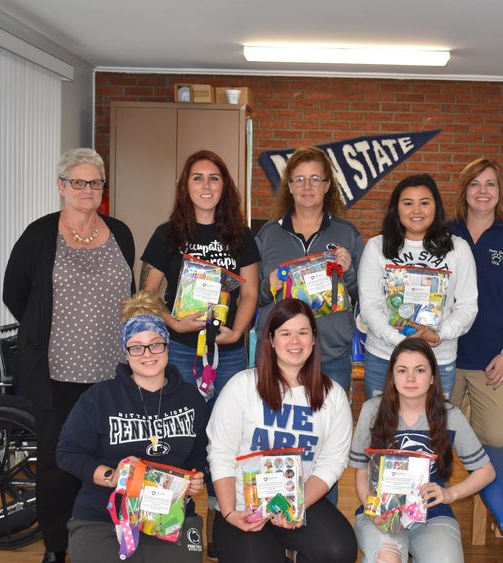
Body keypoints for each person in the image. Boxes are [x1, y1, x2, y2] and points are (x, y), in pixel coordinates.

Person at [3, 147, 135, 563]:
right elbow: (15, 293)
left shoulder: (120, 233)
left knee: (113, 459)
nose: (87, 189)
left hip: (112, 372)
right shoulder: (39, 235)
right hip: (56, 373)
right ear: (61, 186)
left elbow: (126, 294)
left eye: (95, 182)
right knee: (58, 465)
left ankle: (111, 538)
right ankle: (57, 548)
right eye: (78, 181)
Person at [140, 149, 259, 554]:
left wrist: (237, 331)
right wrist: (172, 324)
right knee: (182, 432)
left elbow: (251, 292)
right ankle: (179, 516)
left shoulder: (241, 235)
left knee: (227, 434)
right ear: (185, 186)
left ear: (225, 185)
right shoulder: (166, 234)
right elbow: (147, 293)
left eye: (214, 178)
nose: (206, 186)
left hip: (226, 354)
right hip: (179, 352)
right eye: (197, 178)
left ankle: (221, 520)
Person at [57, 291, 208, 563]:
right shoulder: (99, 398)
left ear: (167, 346)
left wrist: (197, 477)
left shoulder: (191, 398)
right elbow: (67, 452)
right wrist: (110, 476)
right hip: (103, 518)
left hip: (168, 516)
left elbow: (199, 454)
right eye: (136, 346)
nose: (147, 354)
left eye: (155, 344)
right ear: (126, 352)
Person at [206, 299, 357, 563]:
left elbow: (331, 463)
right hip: (244, 504)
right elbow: (221, 454)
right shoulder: (242, 386)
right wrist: (230, 512)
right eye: (285, 333)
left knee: (338, 550)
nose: (295, 341)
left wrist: (295, 507)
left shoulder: (333, 395)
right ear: (271, 340)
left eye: (303, 332)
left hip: (297, 501)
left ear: (313, 339)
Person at [349, 339, 496, 563]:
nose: (410, 378)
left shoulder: (450, 416)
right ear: (392, 376)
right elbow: (361, 472)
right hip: (381, 511)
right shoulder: (372, 411)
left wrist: (450, 494)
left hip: (431, 513)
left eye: (419, 370)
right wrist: (373, 508)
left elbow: (486, 471)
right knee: (386, 559)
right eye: (402, 370)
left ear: (433, 377)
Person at [358, 173, 478, 399]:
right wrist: (401, 340)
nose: (417, 211)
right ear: (397, 208)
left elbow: (468, 305)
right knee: (382, 428)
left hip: (437, 358)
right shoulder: (377, 246)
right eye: (408, 203)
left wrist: (439, 334)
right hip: (385, 357)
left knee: (432, 429)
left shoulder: (458, 248)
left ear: (436, 206)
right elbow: (370, 306)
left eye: (424, 202)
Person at [256, 146, 364, 392]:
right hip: (277, 358)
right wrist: (269, 286)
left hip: (331, 356)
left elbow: (364, 297)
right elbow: (251, 297)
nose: (307, 186)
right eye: (300, 179)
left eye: (315, 179)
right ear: (290, 186)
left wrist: (347, 272)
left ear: (327, 186)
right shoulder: (268, 235)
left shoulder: (347, 234)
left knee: (329, 428)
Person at [447, 158, 503, 447]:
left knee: (496, 438)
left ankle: (471, 410)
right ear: (464, 191)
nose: (482, 191)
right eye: (474, 184)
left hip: (491, 359)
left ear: (499, 191)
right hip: (447, 353)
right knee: (439, 438)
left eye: (490, 184)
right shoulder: (443, 235)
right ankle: (461, 412)